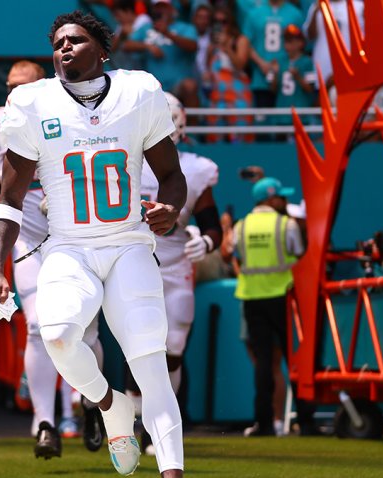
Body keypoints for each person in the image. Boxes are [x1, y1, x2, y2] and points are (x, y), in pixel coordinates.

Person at [0, 11, 185, 477]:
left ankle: (171, 470)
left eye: (74, 39)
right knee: (54, 334)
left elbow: (171, 177)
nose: (63, 48)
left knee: (149, 362)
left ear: (103, 49)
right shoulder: (32, 102)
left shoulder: (139, 93)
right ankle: (110, 406)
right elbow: (10, 199)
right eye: (57, 43)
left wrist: (171, 209)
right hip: (69, 247)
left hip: (128, 243)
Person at [0, 60, 68, 459]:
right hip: (29, 238)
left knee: (81, 331)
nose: (14, 94)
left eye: (24, 86)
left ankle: (80, 407)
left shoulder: (69, 113)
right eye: (10, 86)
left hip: (74, 238)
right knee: (36, 327)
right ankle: (46, 421)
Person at [132, 92, 222, 453]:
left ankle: (156, 428)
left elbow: (212, 224)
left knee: (173, 349)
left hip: (175, 267)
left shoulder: (195, 170)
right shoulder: (124, 163)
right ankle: (135, 421)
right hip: (133, 263)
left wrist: (209, 244)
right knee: (139, 348)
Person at [234, 177, 315, 436]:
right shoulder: (286, 224)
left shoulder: (241, 225)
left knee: (263, 363)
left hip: (252, 299)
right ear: (270, 198)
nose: (285, 201)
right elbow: (300, 254)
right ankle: (306, 420)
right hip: (283, 297)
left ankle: (264, 422)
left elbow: (233, 253)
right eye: (281, 197)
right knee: (295, 359)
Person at [124, 0, 199, 109]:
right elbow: (126, 45)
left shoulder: (184, 27)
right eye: (157, 7)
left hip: (177, 85)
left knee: (190, 86)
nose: (161, 11)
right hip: (152, 86)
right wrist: (147, 46)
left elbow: (193, 46)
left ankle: (193, 126)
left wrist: (167, 33)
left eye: (164, 7)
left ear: (172, 9)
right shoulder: (146, 28)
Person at [243, 0, 304, 114]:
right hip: (261, 77)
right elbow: (246, 43)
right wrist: (261, 63)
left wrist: (284, 66)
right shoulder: (255, 13)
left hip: (287, 78)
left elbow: (301, 43)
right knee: (263, 123)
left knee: (286, 120)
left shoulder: (295, 14)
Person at [205, 5, 254, 143]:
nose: (220, 25)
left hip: (237, 97)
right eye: (216, 22)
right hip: (217, 97)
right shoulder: (211, 46)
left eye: (224, 21)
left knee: (240, 140)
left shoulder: (240, 40)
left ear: (231, 22)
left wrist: (227, 47)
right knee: (215, 138)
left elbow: (240, 65)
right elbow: (209, 72)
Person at [270, 25, 317, 127]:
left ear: (300, 43)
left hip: (300, 114)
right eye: (286, 41)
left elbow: (310, 89)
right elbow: (272, 89)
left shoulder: (307, 62)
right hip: (282, 114)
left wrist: (298, 77)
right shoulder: (279, 61)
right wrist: (275, 74)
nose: (288, 45)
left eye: (291, 41)